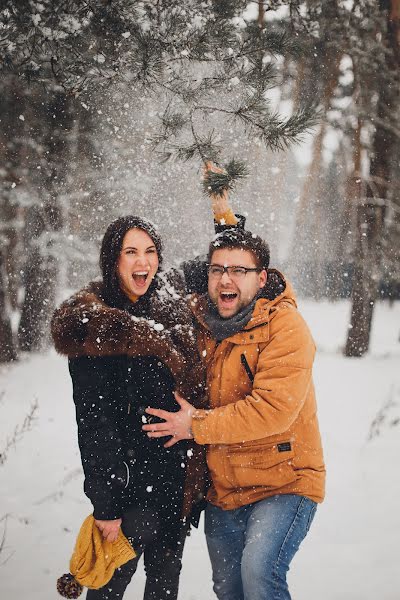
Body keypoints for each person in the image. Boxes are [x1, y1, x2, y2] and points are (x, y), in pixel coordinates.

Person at [51, 164, 244, 600]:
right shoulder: (95, 328)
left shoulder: (169, 296)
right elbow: (95, 424)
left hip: (177, 480)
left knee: (164, 588)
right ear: (112, 259)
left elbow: (225, 261)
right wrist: (105, 504)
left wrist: (222, 207)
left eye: (151, 251)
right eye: (131, 252)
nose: (144, 262)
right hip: (130, 487)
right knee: (108, 589)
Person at [143, 227, 326, 600]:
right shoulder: (202, 324)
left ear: (261, 279)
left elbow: (273, 410)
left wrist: (195, 424)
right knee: (229, 590)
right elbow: (143, 286)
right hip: (225, 488)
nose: (226, 278)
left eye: (239, 271)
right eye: (217, 269)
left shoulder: (286, 327)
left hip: (284, 481)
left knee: (259, 575)